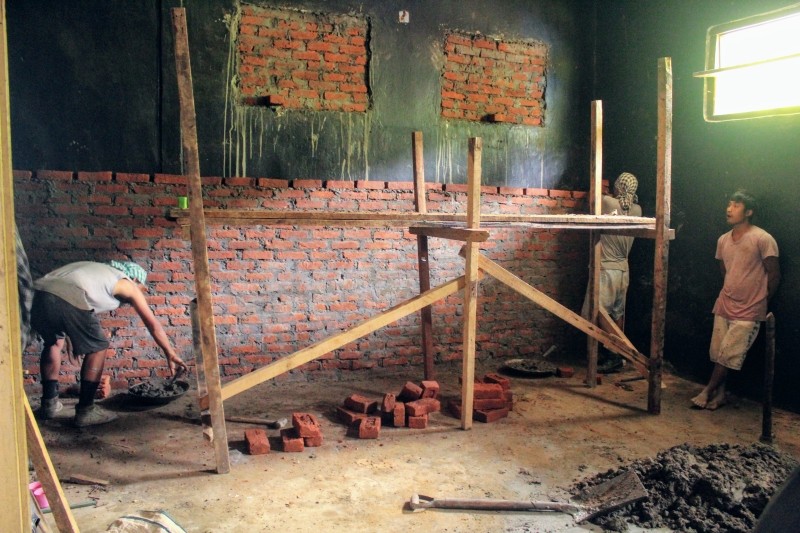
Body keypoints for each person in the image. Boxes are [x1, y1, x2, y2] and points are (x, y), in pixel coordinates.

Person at [31, 260, 188, 427]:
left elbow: (59, 293)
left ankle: (49, 405)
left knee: (54, 343)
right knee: (99, 347)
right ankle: (86, 411)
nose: (143, 292)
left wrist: (71, 332)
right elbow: (153, 324)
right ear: (135, 279)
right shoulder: (127, 283)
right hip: (67, 293)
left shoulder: (99, 272)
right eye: (143, 287)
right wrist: (170, 352)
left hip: (36, 295)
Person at [691, 189, 780, 410]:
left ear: (749, 212)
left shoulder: (763, 238)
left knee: (729, 353)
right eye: (729, 204)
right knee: (719, 354)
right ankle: (721, 394)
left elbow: (774, 274)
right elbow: (725, 271)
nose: (729, 209)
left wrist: (761, 301)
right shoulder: (723, 240)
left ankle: (707, 391)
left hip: (750, 309)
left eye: (736, 205)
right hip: (725, 303)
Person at [582, 172, 642, 373]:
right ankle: (614, 353)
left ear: (618, 187)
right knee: (617, 314)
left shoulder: (608, 203)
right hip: (623, 270)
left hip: (606, 269)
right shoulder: (637, 209)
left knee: (596, 312)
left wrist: (600, 189)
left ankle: (615, 355)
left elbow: (593, 198)